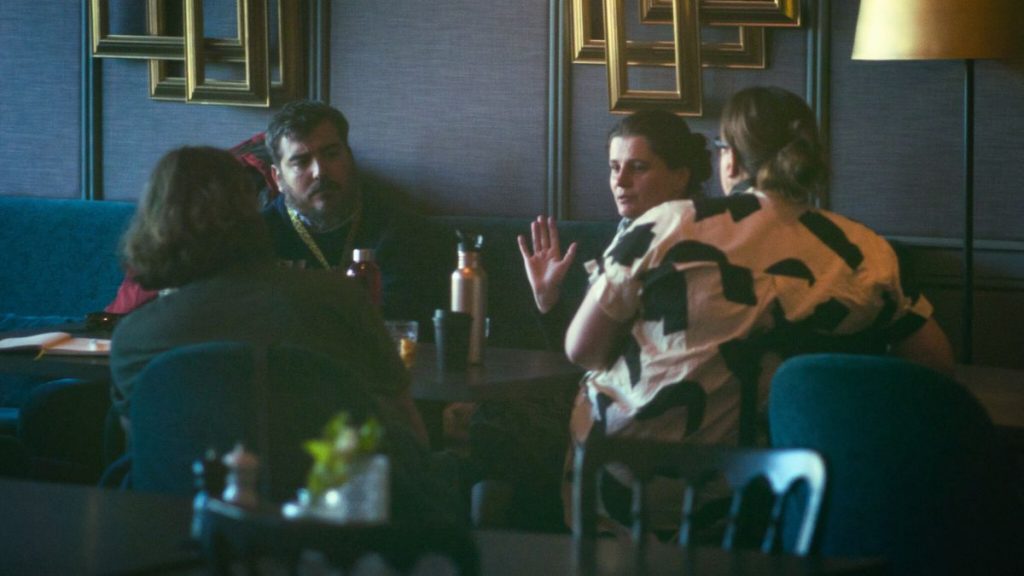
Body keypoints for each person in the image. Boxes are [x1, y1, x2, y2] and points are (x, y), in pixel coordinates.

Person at [564, 86, 954, 460]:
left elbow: (582, 350)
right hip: (794, 492)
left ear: (730, 158)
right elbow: (934, 362)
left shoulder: (665, 225)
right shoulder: (864, 250)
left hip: (642, 481)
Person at [460, 110, 712, 531]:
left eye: (638, 167)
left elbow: (593, 354)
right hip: (605, 392)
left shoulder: (673, 239)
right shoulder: (628, 232)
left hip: (651, 406)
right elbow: (587, 350)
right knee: (489, 426)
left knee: (492, 430)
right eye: (614, 168)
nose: (620, 181)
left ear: (680, 175)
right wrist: (549, 299)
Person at [109, 146, 429, 447]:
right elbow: (408, 433)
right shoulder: (339, 300)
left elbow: (143, 453)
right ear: (251, 211)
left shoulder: (133, 340)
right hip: (322, 498)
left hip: (180, 504)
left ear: (152, 224)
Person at [105, 100, 449, 331]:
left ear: (350, 157)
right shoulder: (252, 233)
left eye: (331, 154)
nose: (319, 172)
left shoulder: (400, 230)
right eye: (300, 161)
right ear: (276, 178)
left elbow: (400, 321)